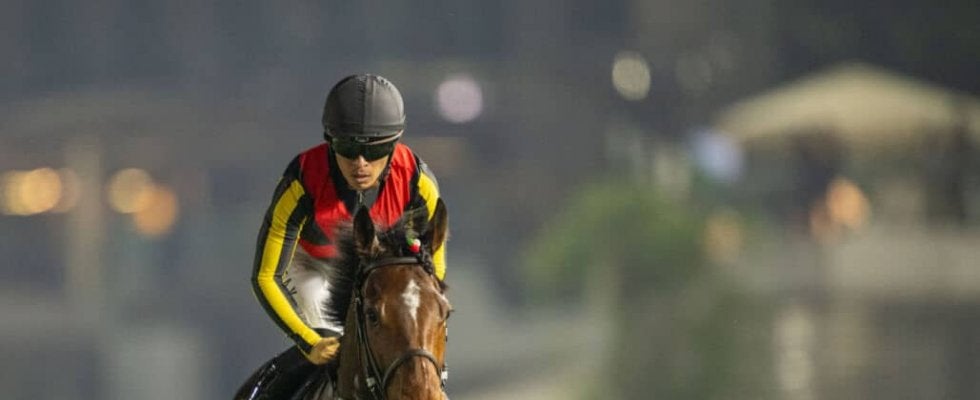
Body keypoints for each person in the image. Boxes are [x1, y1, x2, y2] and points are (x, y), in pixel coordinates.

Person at [235, 74, 447, 399]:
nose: (360, 164)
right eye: (348, 148)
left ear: (395, 144)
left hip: (375, 266)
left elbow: (432, 274)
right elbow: (265, 276)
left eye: (375, 150)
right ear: (330, 142)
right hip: (312, 267)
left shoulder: (419, 183)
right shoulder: (302, 181)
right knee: (330, 339)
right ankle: (270, 387)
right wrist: (309, 342)